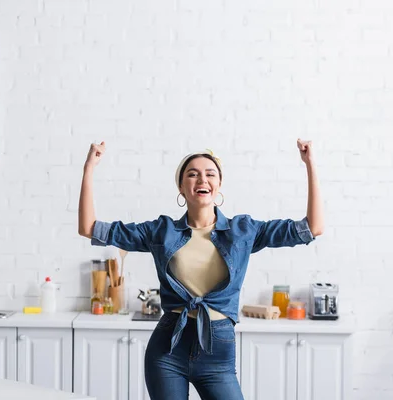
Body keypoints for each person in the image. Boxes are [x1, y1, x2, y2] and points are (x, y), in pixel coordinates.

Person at [77, 139, 323, 400]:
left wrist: (310, 164)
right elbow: (89, 227)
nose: (201, 179)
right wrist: (88, 169)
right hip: (168, 351)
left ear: (219, 185)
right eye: (192, 174)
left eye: (210, 174)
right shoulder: (161, 231)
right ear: (181, 188)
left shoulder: (244, 231)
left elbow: (312, 228)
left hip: (218, 356)